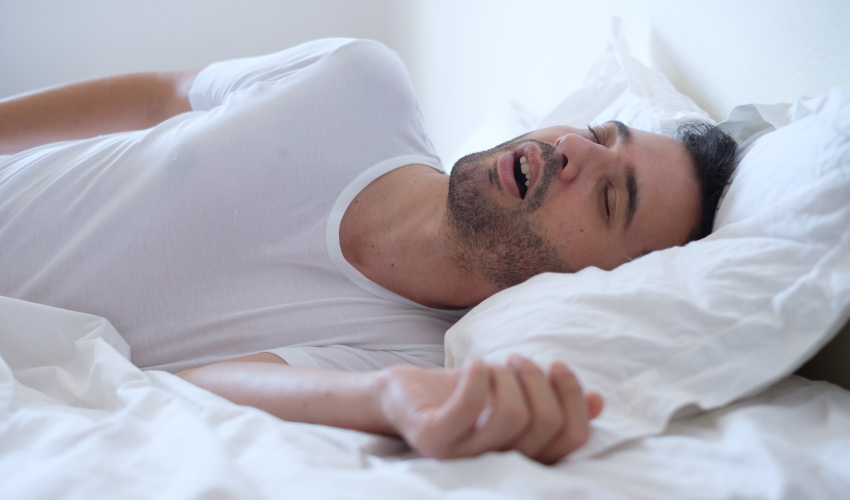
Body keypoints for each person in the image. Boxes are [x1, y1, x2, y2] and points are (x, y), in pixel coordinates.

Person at [0, 38, 737, 463]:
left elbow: (201, 384)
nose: (573, 148)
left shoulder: (413, 357)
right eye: (602, 133)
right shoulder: (359, 82)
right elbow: (164, 94)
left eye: (611, 199)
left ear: (593, 287)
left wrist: (384, 402)